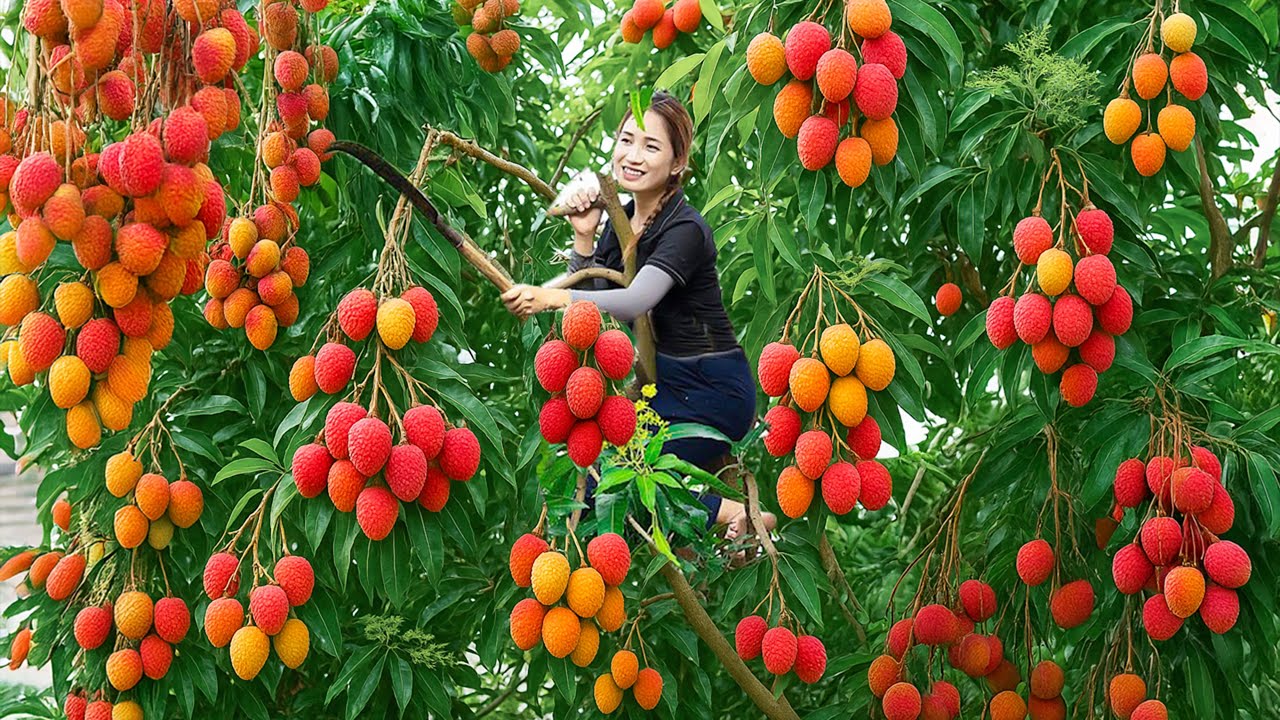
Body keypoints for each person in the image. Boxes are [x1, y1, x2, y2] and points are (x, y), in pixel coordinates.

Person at [501, 92, 774, 540]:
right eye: (627, 140)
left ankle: (732, 515)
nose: (632, 155)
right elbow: (593, 318)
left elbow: (635, 301)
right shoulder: (620, 222)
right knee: (592, 476)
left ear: (677, 161)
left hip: (711, 387)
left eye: (651, 146)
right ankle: (700, 536)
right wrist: (584, 239)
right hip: (660, 386)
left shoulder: (686, 229)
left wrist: (549, 298)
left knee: (617, 477)